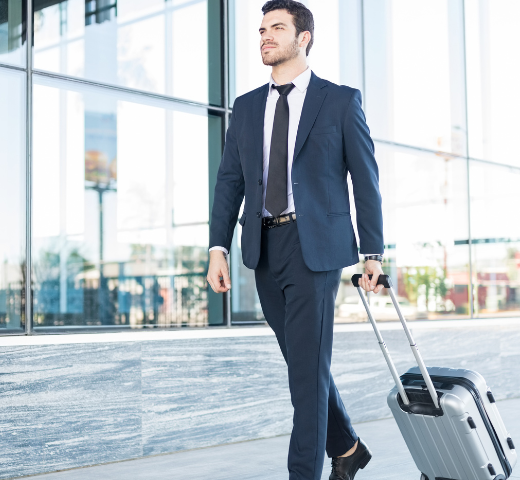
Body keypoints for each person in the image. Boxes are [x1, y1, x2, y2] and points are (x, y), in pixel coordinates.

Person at [206, 2, 384, 479]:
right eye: (262, 28)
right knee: (304, 364)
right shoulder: (246, 107)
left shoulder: (339, 101)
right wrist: (217, 247)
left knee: (305, 372)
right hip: (264, 247)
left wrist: (372, 253)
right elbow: (229, 182)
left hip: (316, 248)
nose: (265, 35)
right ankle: (347, 447)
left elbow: (365, 180)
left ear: (303, 37)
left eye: (277, 27)